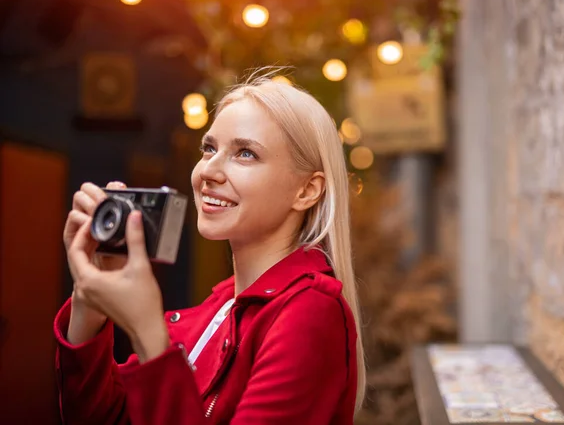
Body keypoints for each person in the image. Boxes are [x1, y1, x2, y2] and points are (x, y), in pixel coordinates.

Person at [54, 73, 366, 425]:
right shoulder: (213, 314)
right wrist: (89, 301)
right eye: (209, 148)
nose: (208, 171)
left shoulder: (311, 311)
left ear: (307, 191)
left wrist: (147, 332)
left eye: (245, 153)